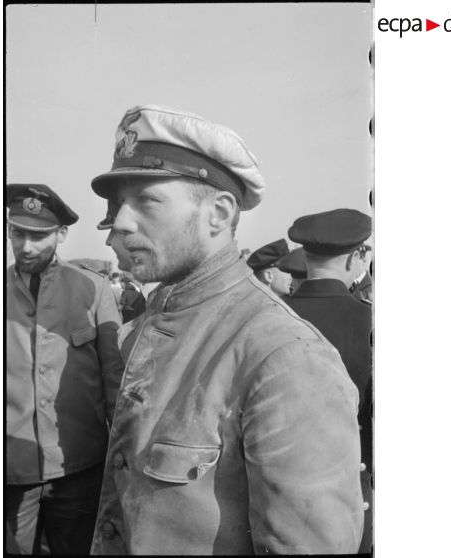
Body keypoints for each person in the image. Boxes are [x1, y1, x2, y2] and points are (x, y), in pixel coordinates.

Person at [88, 105, 364, 555]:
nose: (119, 222)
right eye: (120, 204)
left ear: (218, 213)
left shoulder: (284, 356)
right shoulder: (154, 322)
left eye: (146, 200)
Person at [6, 183, 124, 555]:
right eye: (17, 232)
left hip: (79, 463)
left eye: (39, 236)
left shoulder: (94, 289)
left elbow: (114, 381)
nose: (26, 246)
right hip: (10, 470)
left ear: (61, 235)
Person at [283, 208, 373, 554]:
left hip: (275, 497)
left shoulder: (266, 318)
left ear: (305, 257)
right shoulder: (369, 321)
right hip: (350, 496)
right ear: (356, 257)